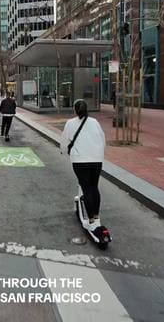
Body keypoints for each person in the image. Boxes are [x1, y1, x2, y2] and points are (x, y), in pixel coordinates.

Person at [60, 99, 106, 231]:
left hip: (80, 161)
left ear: (75, 110)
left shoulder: (70, 123)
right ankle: (96, 216)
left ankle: (90, 219)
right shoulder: (95, 122)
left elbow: (64, 141)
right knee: (94, 186)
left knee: (86, 188)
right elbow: (102, 139)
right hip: (96, 159)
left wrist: (63, 151)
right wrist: (99, 153)